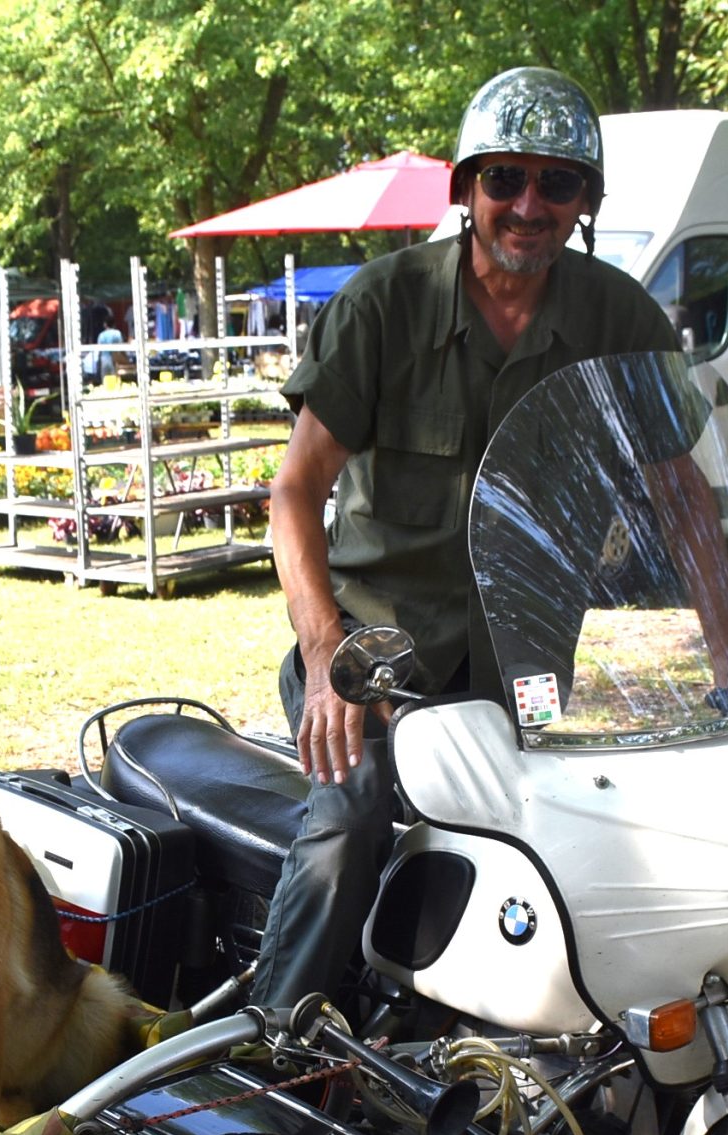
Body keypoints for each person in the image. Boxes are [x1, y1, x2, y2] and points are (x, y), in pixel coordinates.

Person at [251, 66, 683, 1016]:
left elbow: (683, 494)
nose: (528, 205)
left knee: (564, 841)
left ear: (586, 201)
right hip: (372, 657)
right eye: (504, 179)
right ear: (465, 189)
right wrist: (324, 658)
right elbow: (295, 492)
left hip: (517, 672)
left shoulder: (619, 320)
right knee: (351, 817)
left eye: (557, 183)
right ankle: (273, 1049)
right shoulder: (384, 306)